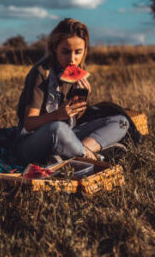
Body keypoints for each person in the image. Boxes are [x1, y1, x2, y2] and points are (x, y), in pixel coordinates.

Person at [16, 18, 130, 164]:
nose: (72, 59)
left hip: (68, 134)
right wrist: (57, 115)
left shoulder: (80, 69)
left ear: (85, 51)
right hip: (31, 142)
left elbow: (75, 120)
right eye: (65, 52)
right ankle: (97, 158)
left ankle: (72, 154)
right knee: (58, 128)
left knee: (121, 122)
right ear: (54, 48)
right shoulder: (41, 73)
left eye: (78, 52)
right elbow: (28, 124)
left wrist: (82, 100)